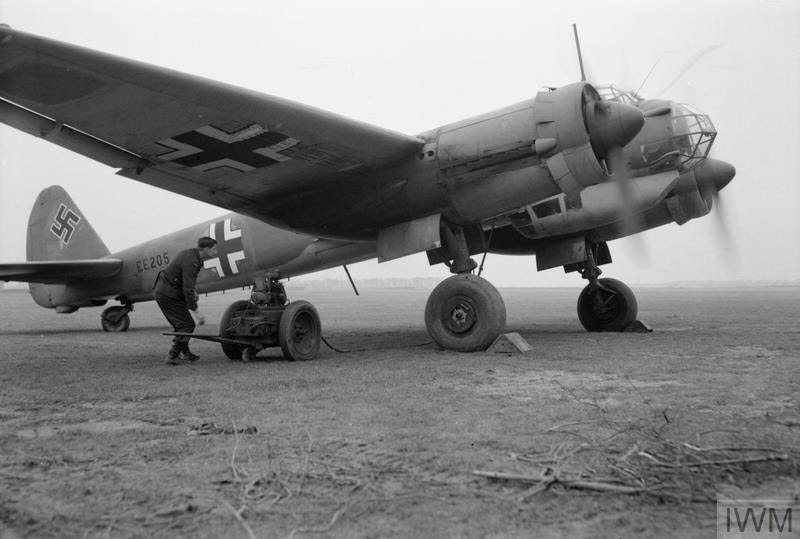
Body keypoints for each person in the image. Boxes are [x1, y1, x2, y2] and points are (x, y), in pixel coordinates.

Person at [154, 236, 217, 365]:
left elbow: (184, 282)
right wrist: (196, 310)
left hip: (166, 291)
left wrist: (192, 292)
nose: (215, 252)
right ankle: (172, 356)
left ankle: (186, 354)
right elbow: (187, 288)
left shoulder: (192, 256)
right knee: (186, 325)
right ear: (205, 249)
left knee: (182, 325)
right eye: (214, 249)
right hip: (168, 294)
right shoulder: (192, 261)